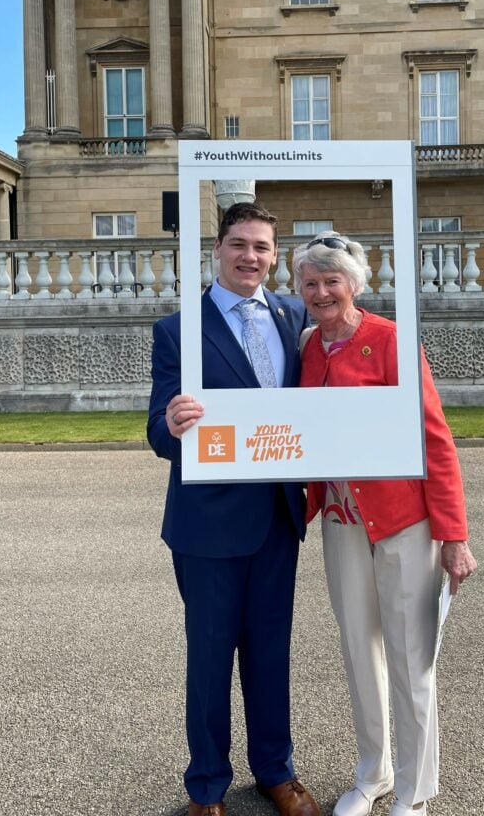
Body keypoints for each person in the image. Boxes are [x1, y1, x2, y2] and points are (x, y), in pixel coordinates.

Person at [292, 232, 477, 816]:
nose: (322, 291)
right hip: (342, 520)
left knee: (411, 656)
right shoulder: (308, 346)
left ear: (355, 284)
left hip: (403, 521)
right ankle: (373, 773)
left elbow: (434, 440)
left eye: (332, 280)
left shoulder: (392, 339)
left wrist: (454, 536)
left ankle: (416, 793)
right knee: (358, 651)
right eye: (311, 282)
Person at [147, 202, 321, 816]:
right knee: (211, 655)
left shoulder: (294, 314)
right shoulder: (178, 329)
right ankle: (207, 788)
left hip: (278, 516)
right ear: (217, 250)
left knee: (272, 650)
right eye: (240, 244)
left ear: (275, 256)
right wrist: (171, 423)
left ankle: (277, 771)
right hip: (208, 524)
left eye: (263, 247)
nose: (252, 256)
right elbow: (159, 434)